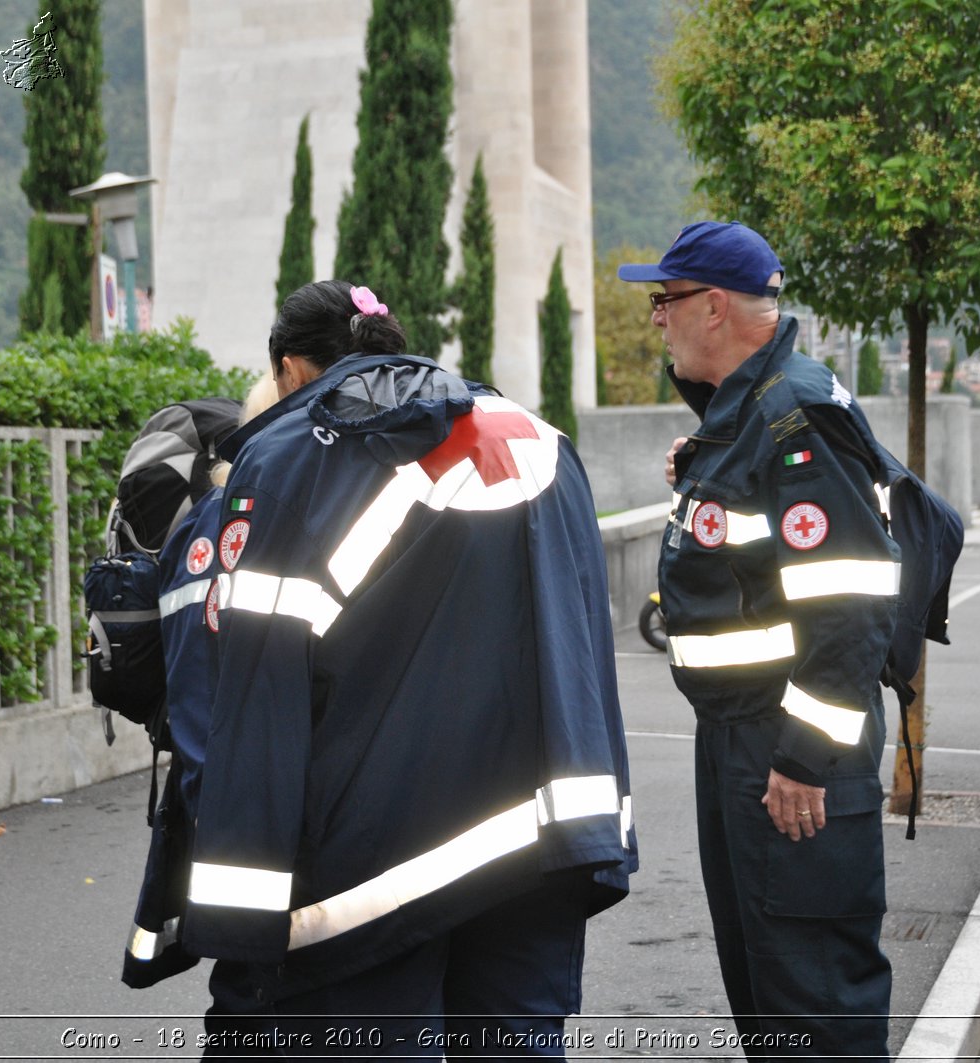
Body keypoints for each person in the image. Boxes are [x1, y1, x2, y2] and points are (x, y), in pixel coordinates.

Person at [179, 281, 636, 1054]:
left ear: (290, 368)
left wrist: (242, 916)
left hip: (377, 863)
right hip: (549, 835)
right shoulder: (542, 438)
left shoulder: (290, 456)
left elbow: (260, 687)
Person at [621, 222, 898, 1059]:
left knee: (813, 1004)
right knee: (770, 998)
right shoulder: (750, 414)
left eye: (665, 302)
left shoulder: (791, 421)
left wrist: (803, 757)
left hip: (788, 751)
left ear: (712, 307)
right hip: (742, 740)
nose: (657, 320)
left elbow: (849, 604)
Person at [123, 379, 278, 1053]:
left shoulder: (204, 525)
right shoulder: (279, 520)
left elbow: (192, 703)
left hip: (224, 833)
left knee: (244, 1009)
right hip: (283, 841)